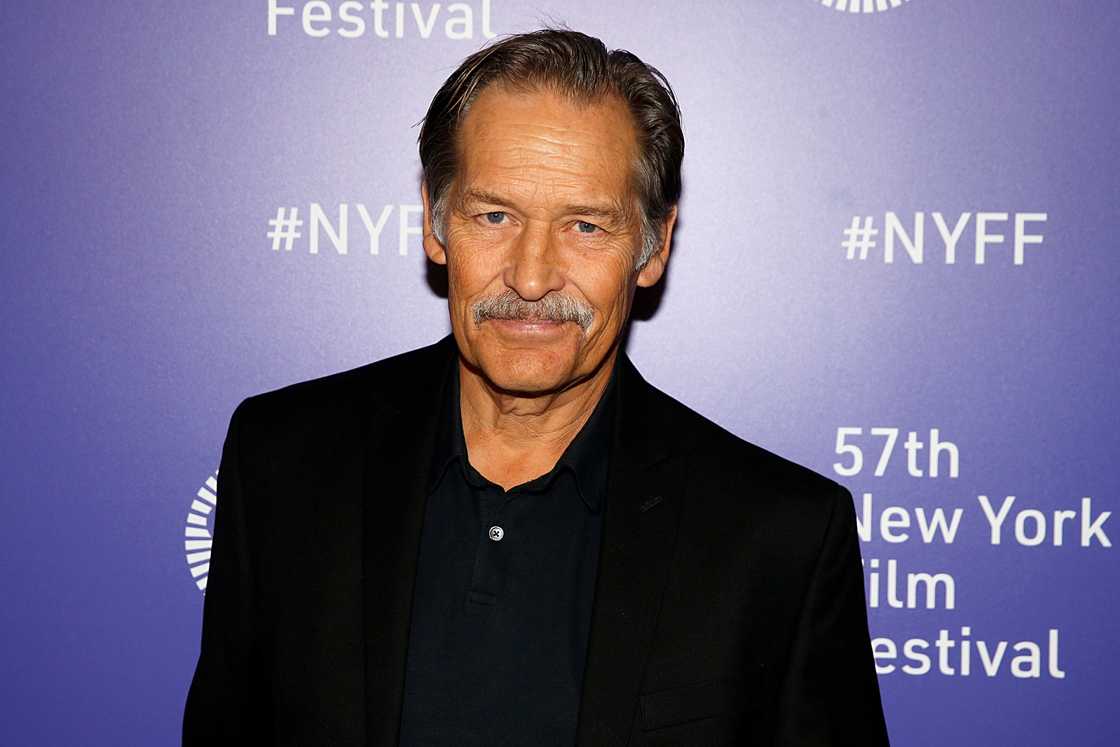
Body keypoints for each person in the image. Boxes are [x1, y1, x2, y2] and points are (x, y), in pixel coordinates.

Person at [183, 28, 889, 746]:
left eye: (585, 225)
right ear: (435, 221)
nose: (530, 276)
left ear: (655, 245)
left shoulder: (779, 539)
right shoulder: (282, 463)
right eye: (495, 216)